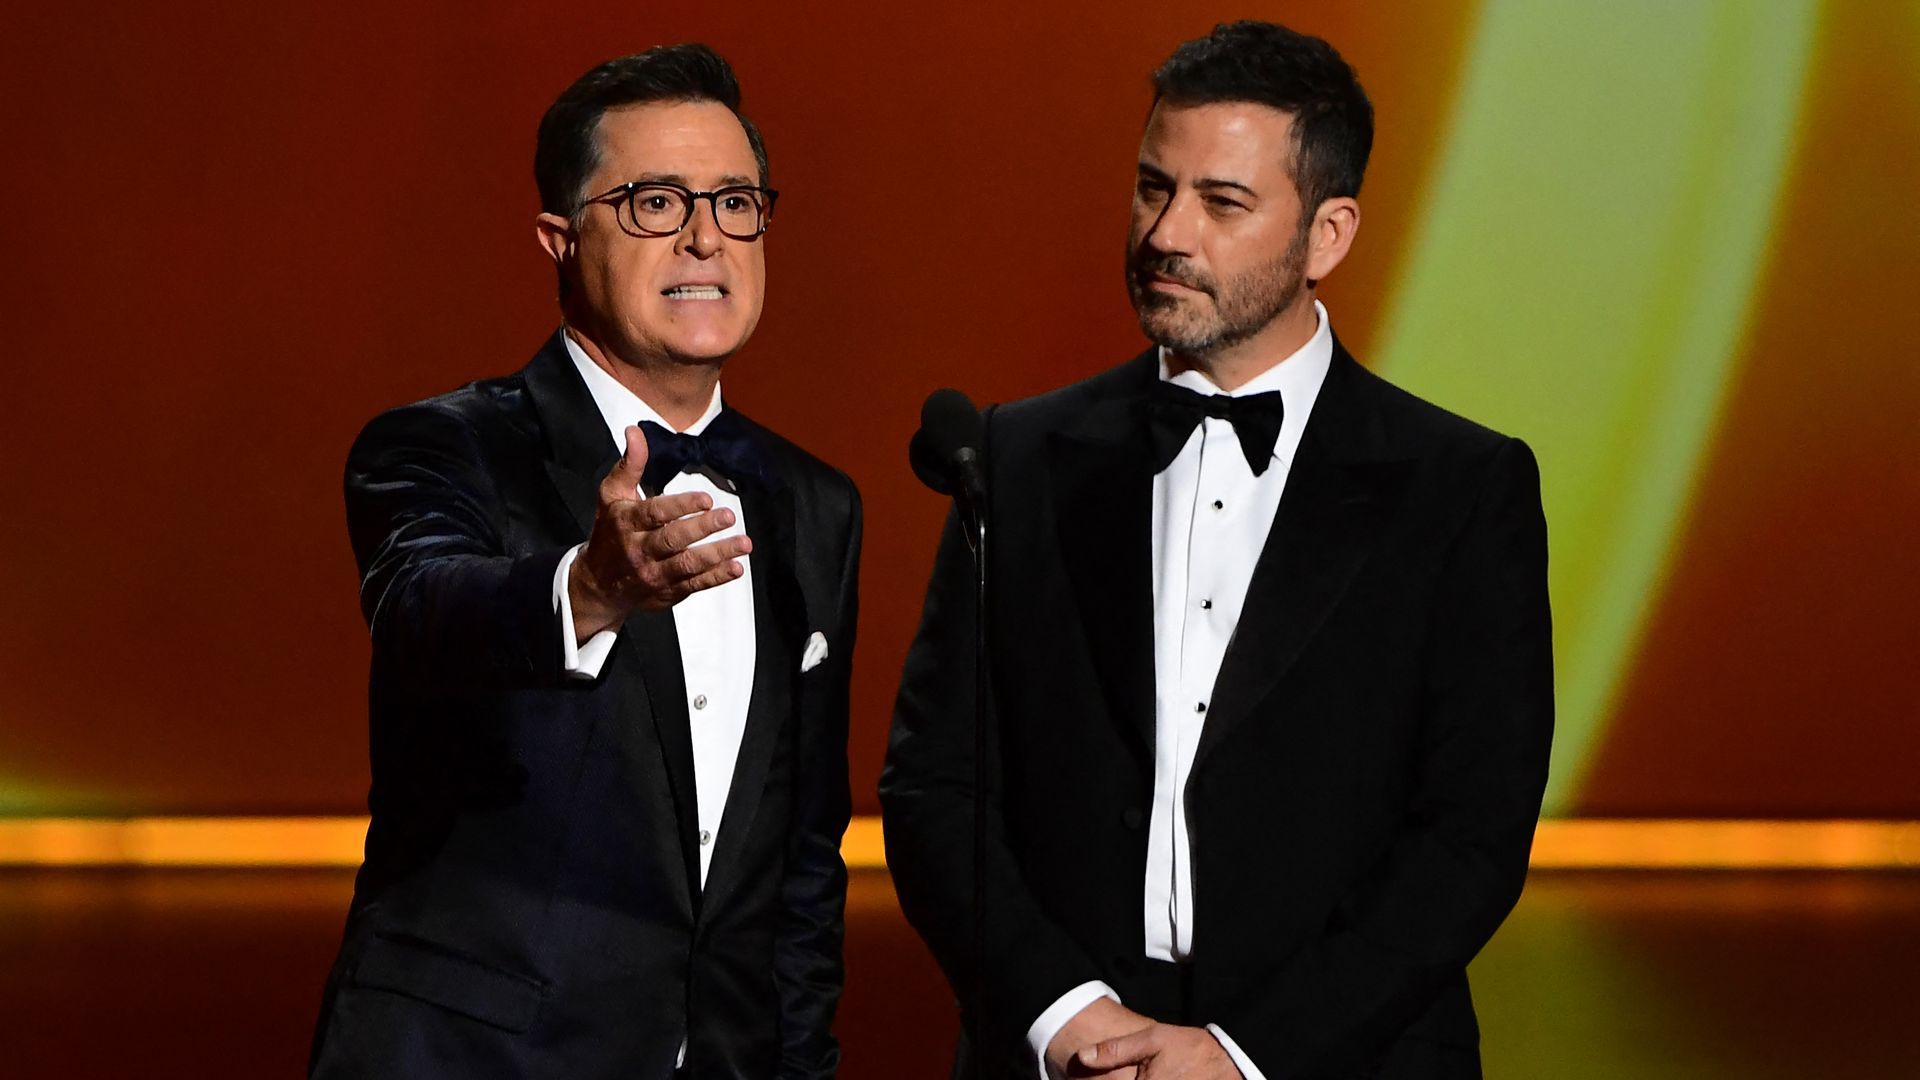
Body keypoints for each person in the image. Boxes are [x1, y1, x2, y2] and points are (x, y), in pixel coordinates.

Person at [881, 21, 1551, 1080]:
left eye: (1221, 202)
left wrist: (1245, 1056)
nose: (1165, 233)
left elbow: (1469, 838)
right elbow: (933, 788)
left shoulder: (1461, 488)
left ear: (1328, 235)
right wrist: (1063, 1015)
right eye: (1154, 187)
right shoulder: (1015, 456)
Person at [310, 44, 861, 1080]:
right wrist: (589, 587)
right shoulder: (444, 444)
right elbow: (425, 609)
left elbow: (802, 859)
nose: (706, 236)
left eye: (736, 201)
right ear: (560, 239)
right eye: (657, 202)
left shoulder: (817, 502)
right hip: (474, 1057)